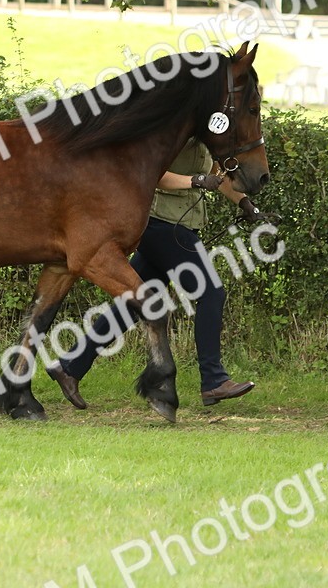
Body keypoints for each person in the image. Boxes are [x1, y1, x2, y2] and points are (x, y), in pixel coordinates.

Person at [47, 139, 276, 410]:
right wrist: (196, 181)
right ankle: (213, 379)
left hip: (180, 226)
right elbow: (153, 174)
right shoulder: (173, 132)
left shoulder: (201, 136)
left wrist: (245, 203)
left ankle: (70, 366)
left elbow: (216, 174)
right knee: (211, 292)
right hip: (160, 225)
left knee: (133, 303)